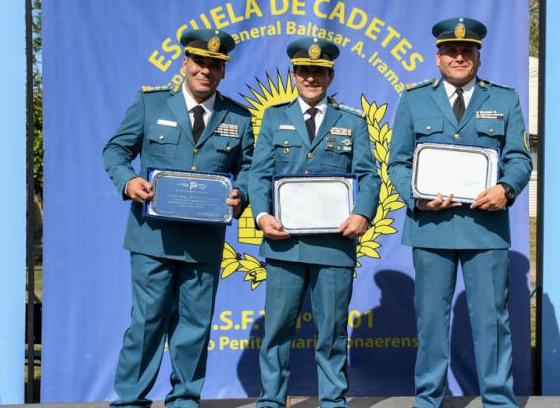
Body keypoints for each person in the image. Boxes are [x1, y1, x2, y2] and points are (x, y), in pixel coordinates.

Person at [102, 28, 254, 408]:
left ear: (223, 72)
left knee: (195, 326)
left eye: (215, 66)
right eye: (200, 62)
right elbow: (116, 151)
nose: (206, 70)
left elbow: (250, 167)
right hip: (152, 237)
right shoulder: (150, 105)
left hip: (203, 241)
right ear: (185, 63)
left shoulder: (239, 116)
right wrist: (129, 181)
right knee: (147, 322)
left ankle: (185, 398)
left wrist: (243, 195)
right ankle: (131, 399)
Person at [388, 17, 532, 408]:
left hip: (485, 229)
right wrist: (415, 197)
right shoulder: (414, 99)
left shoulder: (504, 99)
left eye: (466, 51)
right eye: (451, 51)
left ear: (478, 58)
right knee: (431, 321)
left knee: (492, 321)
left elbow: (520, 158)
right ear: (437, 58)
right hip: (431, 226)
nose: (459, 57)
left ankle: (499, 400)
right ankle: (428, 399)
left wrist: (506, 188)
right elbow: (397, 163)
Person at [249, 37, 381, 408]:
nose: (311, 78)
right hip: (283, 243)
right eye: (304, 71)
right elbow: (258, 175)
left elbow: (369, 176)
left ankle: (333, 401)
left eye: (319, 72)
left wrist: (363, 214)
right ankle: (272, 401)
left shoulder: (352, 121)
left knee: (333, 331)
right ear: (293, 74)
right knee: (276, 330)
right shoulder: (275, 118)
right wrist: (261, 215)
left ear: (330, 74)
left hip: (334, 247)